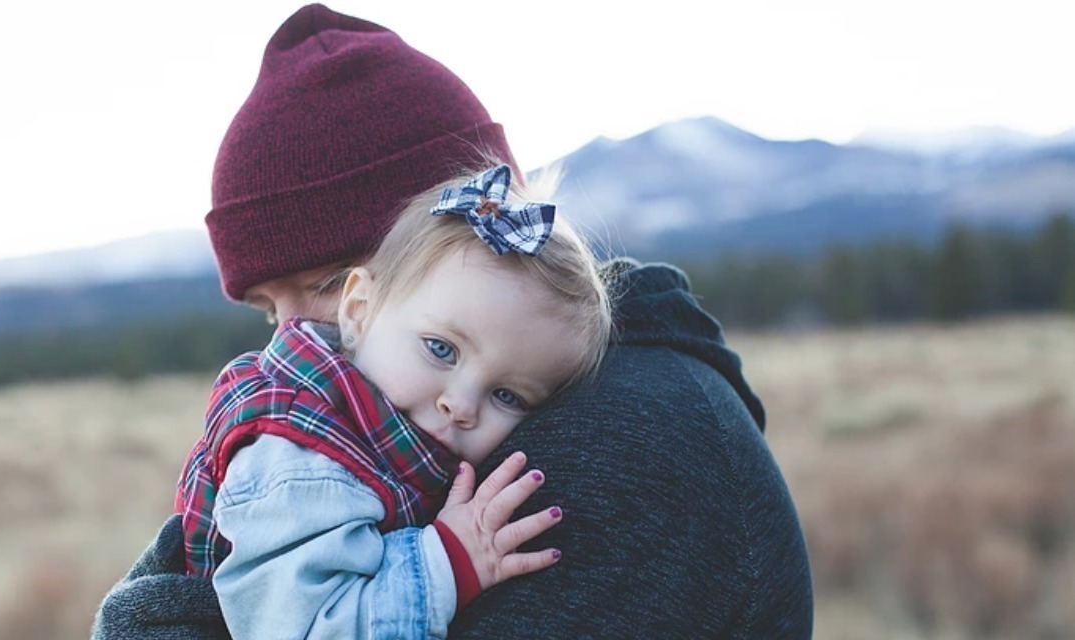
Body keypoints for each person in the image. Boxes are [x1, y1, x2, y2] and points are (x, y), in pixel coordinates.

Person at [93, 4, 814, 640]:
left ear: (457, 240)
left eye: (322, 284)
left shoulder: (617, 450)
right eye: (265, 307)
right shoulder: (384, 431)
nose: (288, 337)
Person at [175, 163, 611, 639]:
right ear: (359, 310)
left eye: (507, 395)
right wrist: (448, 561)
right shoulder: (300, 461)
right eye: (441, 349)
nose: (462, 405)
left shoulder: (381, 433)